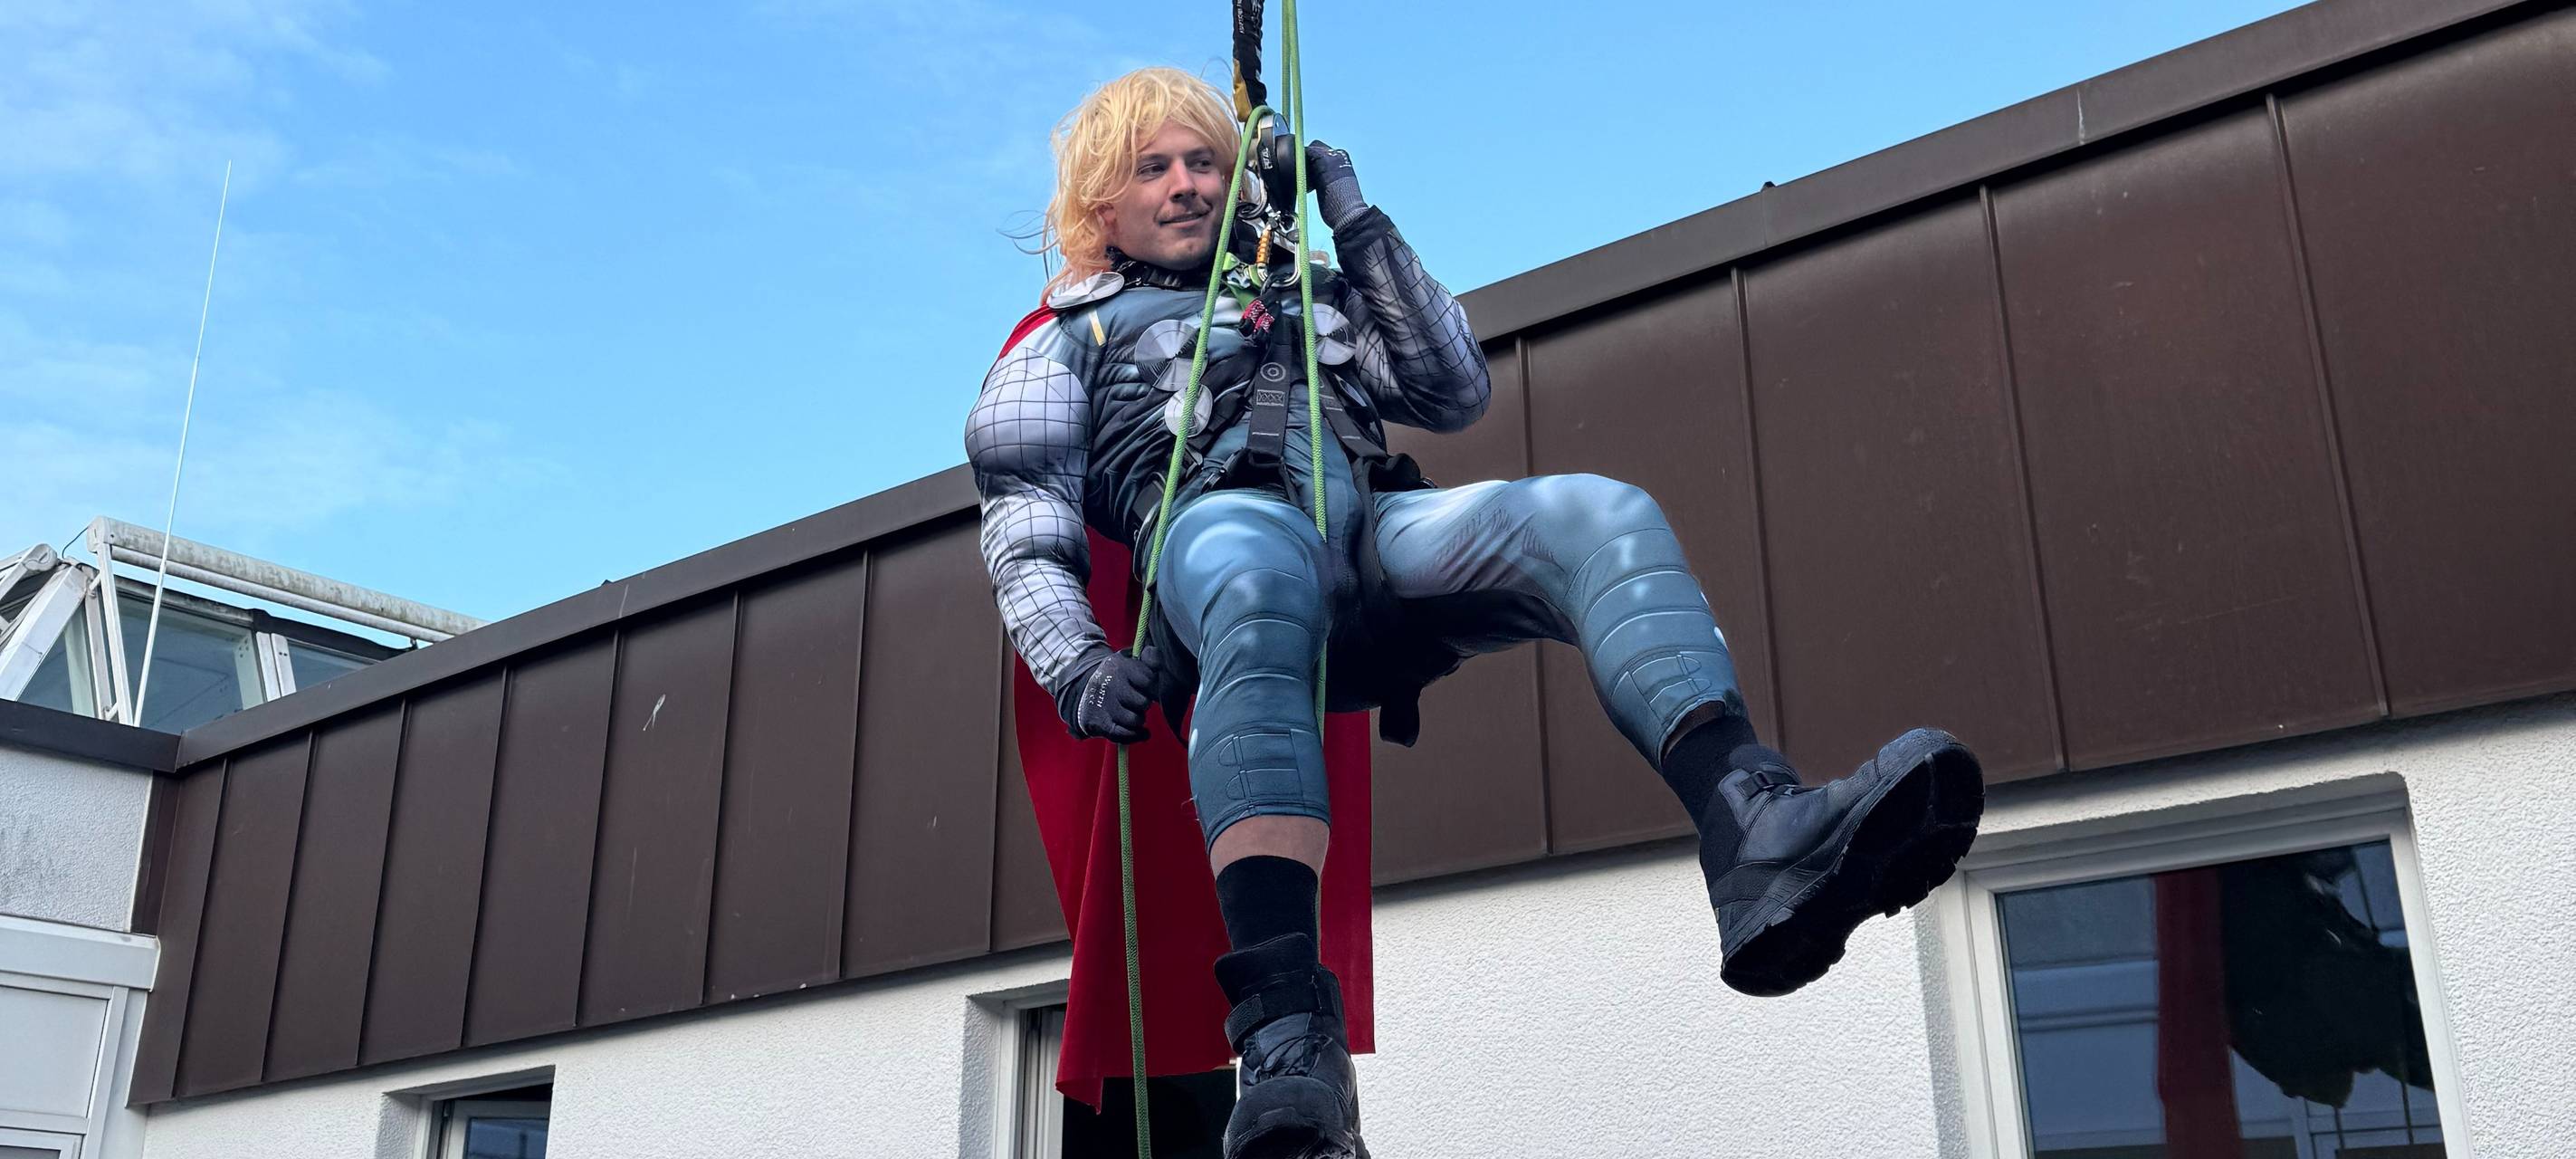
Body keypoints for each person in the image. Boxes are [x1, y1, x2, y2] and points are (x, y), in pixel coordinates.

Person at [968, 66, 1983, 1159]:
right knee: (1254, 572)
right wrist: (1075, 663)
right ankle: (1282, 1032)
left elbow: (1451, 385)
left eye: (1202, 161)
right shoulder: (1061, 341)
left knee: (1596, 512)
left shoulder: (1309, 290)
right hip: (1221, 546)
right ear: (1099, 203)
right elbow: (1025, 518)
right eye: (1150, 167)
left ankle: (1755, 829)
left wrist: (1348, 214)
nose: (1184, 185)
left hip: (1370, 543)